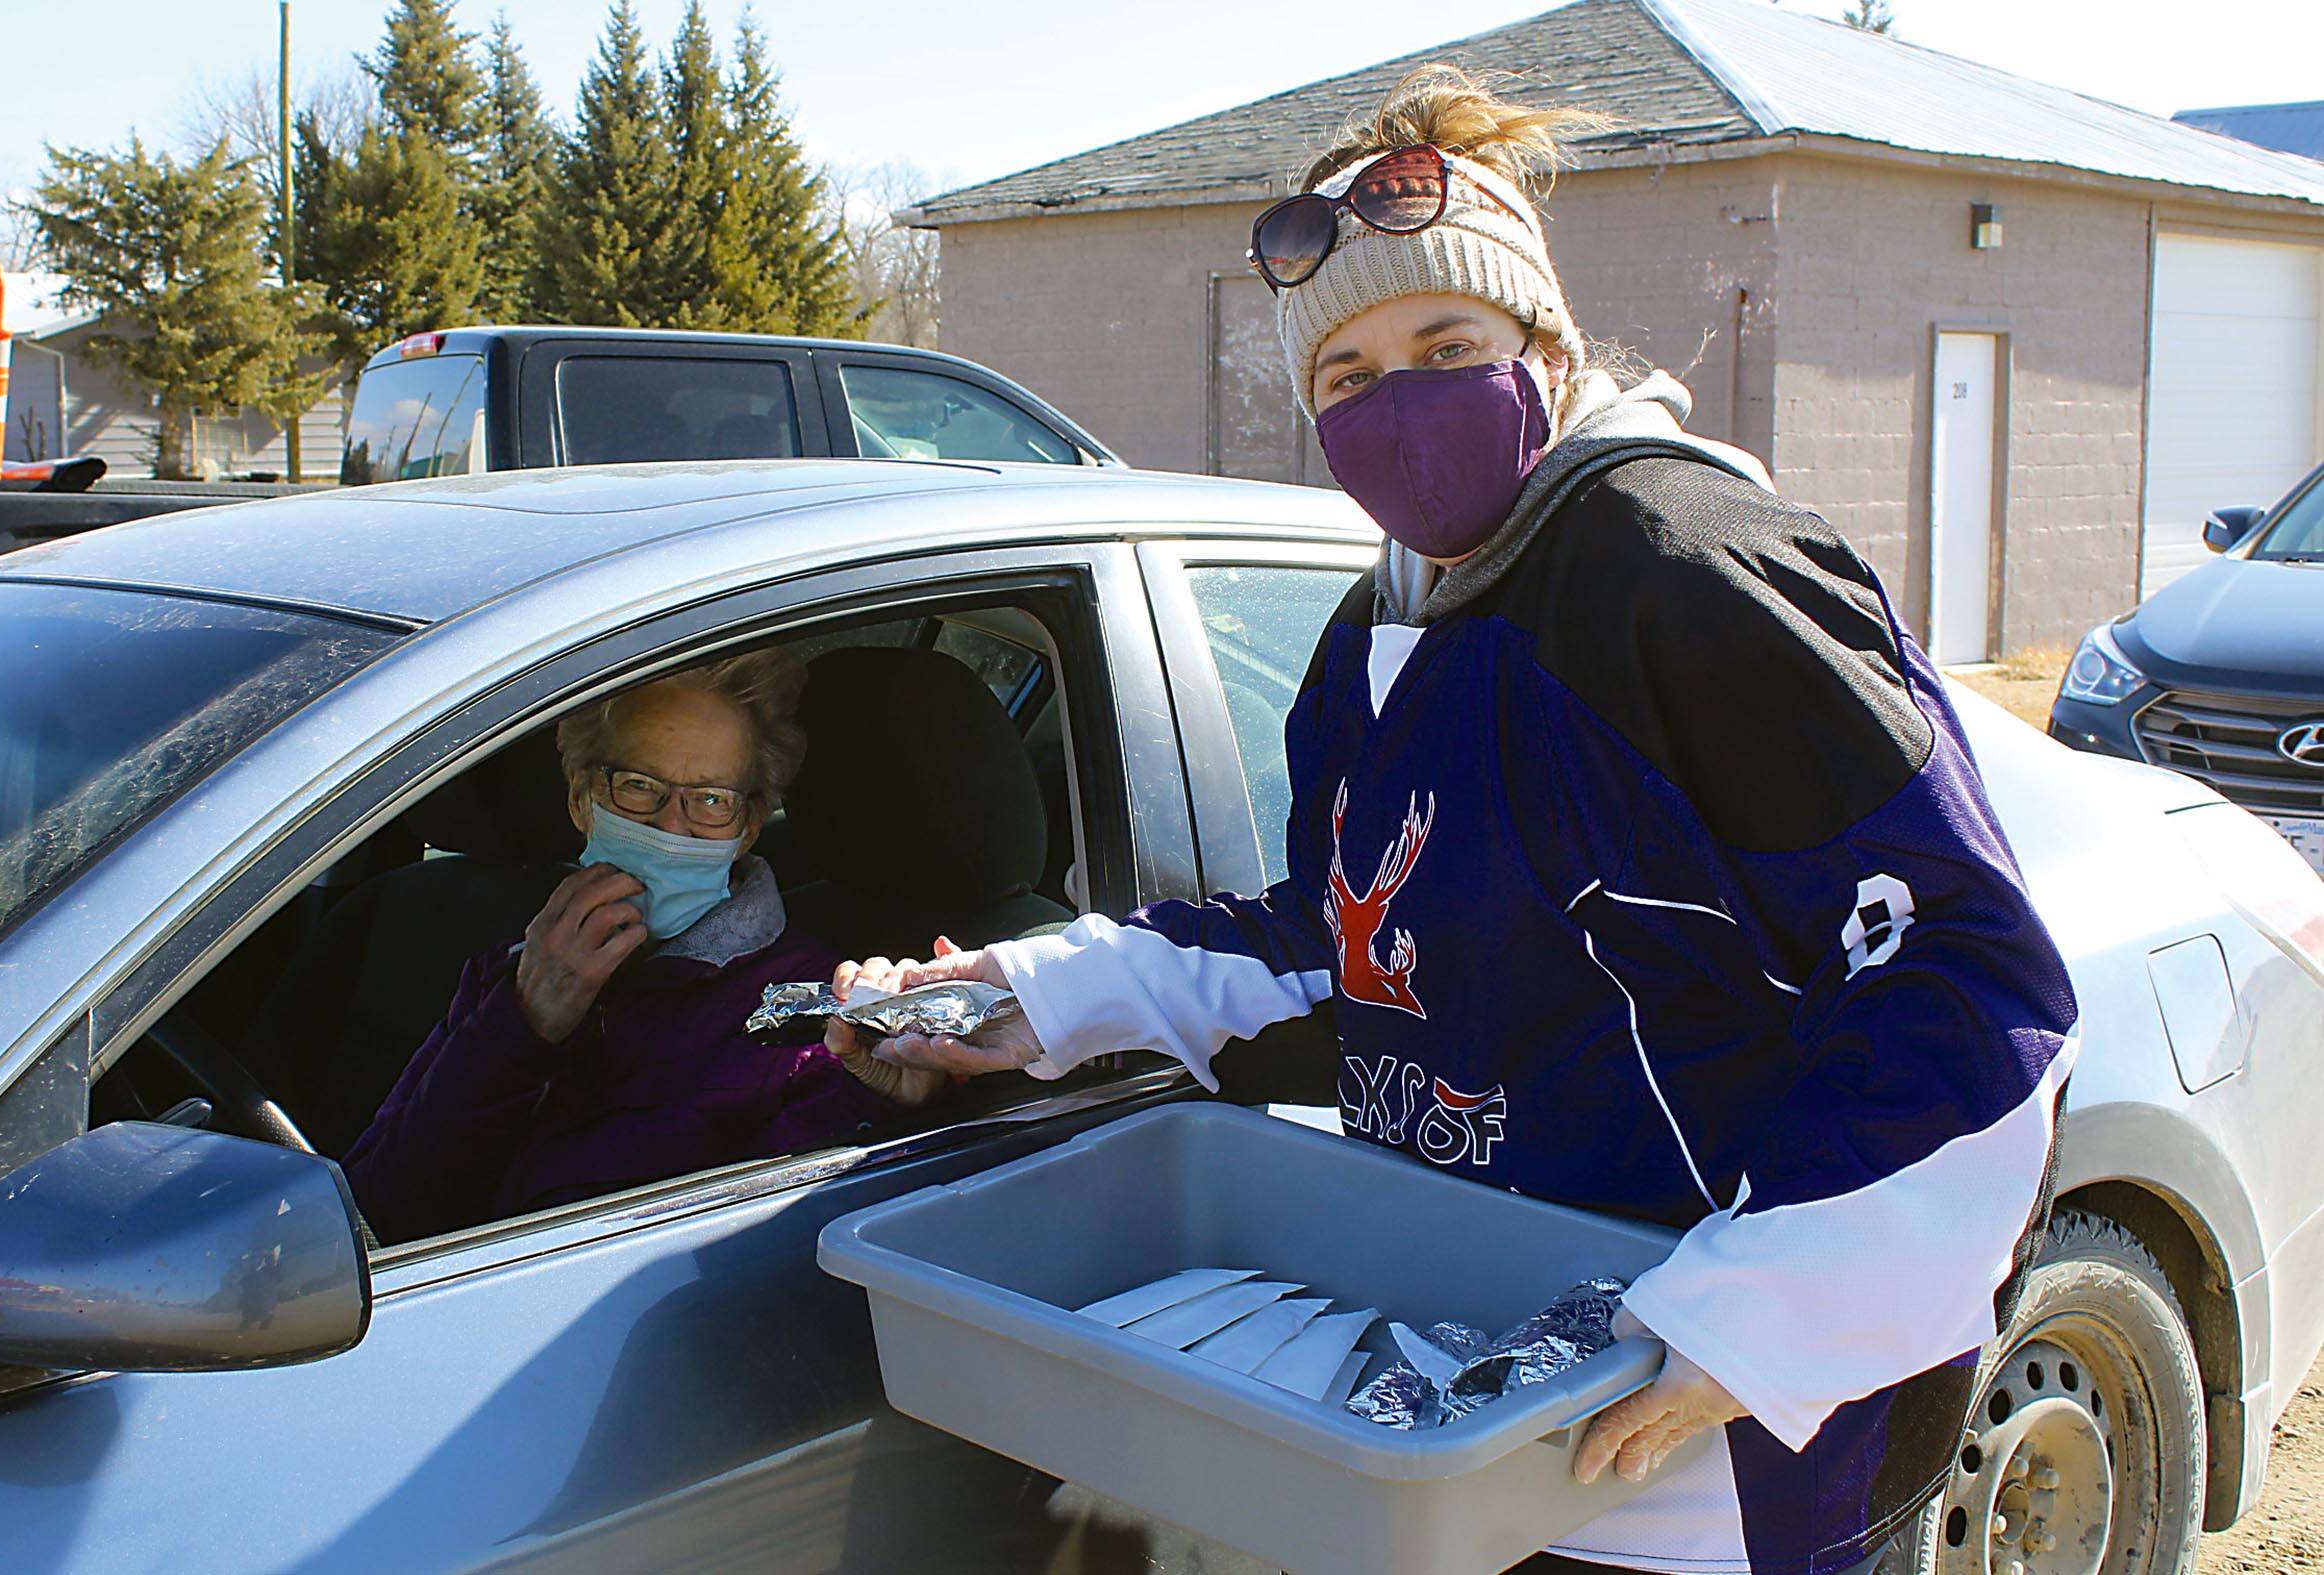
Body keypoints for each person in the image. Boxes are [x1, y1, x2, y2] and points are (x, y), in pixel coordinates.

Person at [844, 66, 2077, 1575]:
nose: (1399, 403)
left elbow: (1973, 988)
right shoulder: (1374, 635)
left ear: (1544, 352)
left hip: (1713, 1448)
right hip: (1486, 1406)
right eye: (1347, 376)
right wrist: (1028, 995)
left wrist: (1749, 1322)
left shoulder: (1689, 571)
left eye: (1447, 342)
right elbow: (1342, 938)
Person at [344, 650, 937, 1244]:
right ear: (581, 798)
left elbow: (776, 1249)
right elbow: (378, 1210)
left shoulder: (808, 1008)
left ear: (749, 826)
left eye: (710, 800)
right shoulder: (512, 969)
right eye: (638, 786)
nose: (670, 826)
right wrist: (524, 1025)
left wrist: (872, 1101)